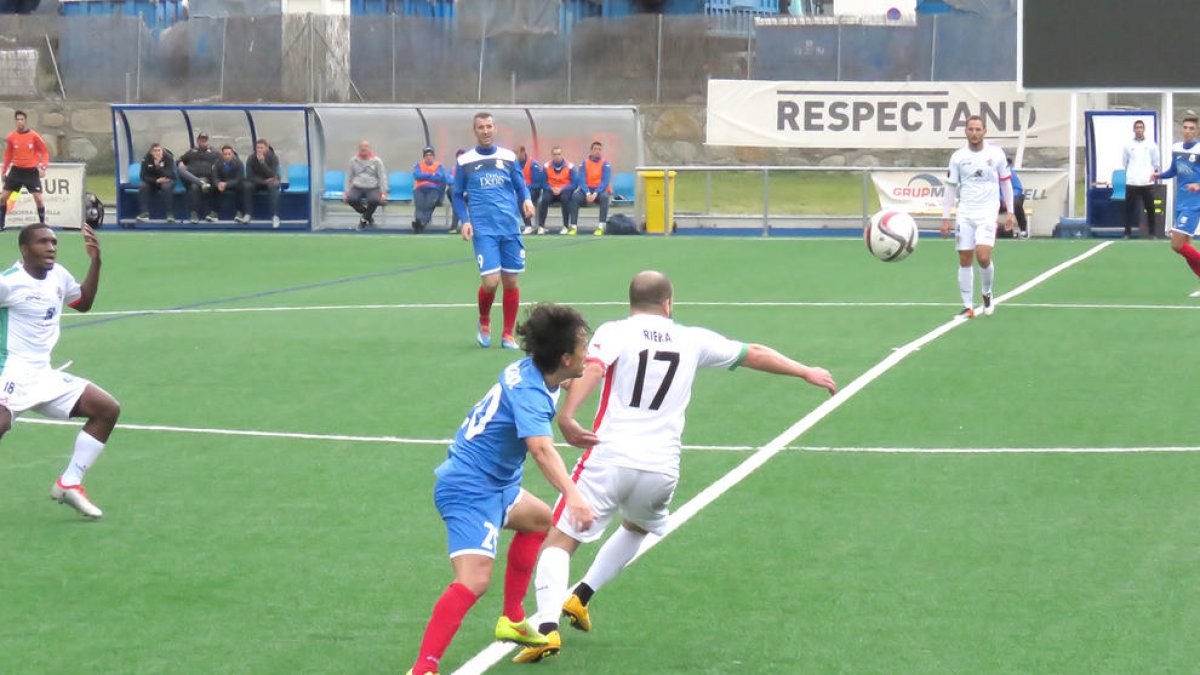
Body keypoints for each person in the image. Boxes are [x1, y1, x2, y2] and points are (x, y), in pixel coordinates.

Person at [512, 270, 838, 664]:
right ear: (669, 303)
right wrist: (805, 370)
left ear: (631, 301)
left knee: (560, 542)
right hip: (661, 467)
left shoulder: (616, 331)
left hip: (609, 456)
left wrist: (567, 415)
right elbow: (753, 353)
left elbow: (594, 368)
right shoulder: (692, 338)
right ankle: (581, 597)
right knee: (637, 527)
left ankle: (547, 627)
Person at [406, 303, 598, 675]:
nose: (586, 355)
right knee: (474, 581)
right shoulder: (530, 393)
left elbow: (577, 378)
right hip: (469, 487)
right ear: (563, 357)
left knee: (541, 522)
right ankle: (423, 668)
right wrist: (574, 496)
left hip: (499, 484)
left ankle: (512, 618)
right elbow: (541, 449)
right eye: (582, 350)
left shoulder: (541, 373)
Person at [0, 223, 121, 520]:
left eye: (53, 242)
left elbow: (83, 303)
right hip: (11, 373)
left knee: (107, 409)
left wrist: (96, 262)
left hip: (44, 375)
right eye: (43, 242)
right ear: (24, 249)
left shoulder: (58, 275)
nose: (51, 247)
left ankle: (70, 483)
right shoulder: (8, 283)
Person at [451, 112, 536, 350]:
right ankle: (484, 321)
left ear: (495, 128)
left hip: (510, 227)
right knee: (490, 282)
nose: (486, 131)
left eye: (489, 126)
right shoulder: (465, 161)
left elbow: (521, 186)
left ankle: (508, 334)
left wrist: (527, 200)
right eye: (481, 127)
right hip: (484, 229)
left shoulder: (508, 157)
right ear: (474, 131)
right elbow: (457, 194)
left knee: (511, 282)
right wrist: (465, 220)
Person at [940, 115, 1015, 318]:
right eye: (970, 129)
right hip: (965, 213)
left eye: (978, 129)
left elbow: (1006, 183)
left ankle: (987, 293)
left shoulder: (996, 154)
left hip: (987, 212)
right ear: (966, 131)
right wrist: (946, 218)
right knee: (965, 258)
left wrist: (1011, 212)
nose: (974, 133)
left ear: (984, 131)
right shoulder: (958, 157)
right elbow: (950, 188)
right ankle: (967, 306)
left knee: (982, 257)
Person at [1151, 115, 1200, 297]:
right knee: (1185, 247)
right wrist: (1159, 175)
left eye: (1191, 128)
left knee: (1176, 244)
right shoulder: (1177, 148)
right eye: (1185, 127)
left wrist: (1198, 186)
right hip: (1181, 202)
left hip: (1194, 204)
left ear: (1196, 131)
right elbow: (1174, 170)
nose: (1187, 131)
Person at [0, 110, 51, 232]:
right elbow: (8, 155)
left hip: (31, 172)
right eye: (17, 119)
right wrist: (4, 171)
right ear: (15, 121)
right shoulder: (12, 137)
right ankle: (1, 224)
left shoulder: (34, 136)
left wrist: (43, 167)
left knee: (38, 199)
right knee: (3, 198)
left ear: (25, 121)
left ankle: (42, 225)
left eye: (22, 119)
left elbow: (44, 152)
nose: (20, 122)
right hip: (16, 171)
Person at [1122, 119, 1161, 239]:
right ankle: (1127, 232)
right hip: (1132, 181)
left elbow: (1156, 162)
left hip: (1146, 181)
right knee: (1128, 209)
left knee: (1150, 208)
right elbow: (1125, 162)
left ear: (1144, 129)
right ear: (1134, 130)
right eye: (1137, 127)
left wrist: (1150, 173)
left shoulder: (1151, 145)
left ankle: (1152, 233)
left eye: (1141, 127)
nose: (1139, 129)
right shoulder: (1128, 145)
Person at [176, 131, 220, 223]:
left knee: (194, 186)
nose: (203, 141)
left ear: (207, 141)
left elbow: (222, 162)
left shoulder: (214, 152)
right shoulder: (192, 151)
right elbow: (179, 159)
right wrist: (180, 162)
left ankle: (194, 214)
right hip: (191, 177)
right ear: (198, 141)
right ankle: (200, 182)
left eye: (205, 140)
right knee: (180, 170)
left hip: (206, 178)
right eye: (201, 140)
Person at [570, 141, 612, 236]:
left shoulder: (605, 164)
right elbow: (582, 180)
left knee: (605, 197)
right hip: (586, 190)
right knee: (575, 196)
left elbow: (605, 182)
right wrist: (588, 193)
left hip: (599, 191)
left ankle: (601, 226)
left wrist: (596, 193)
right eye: (595, 149)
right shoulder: (584, 164)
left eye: (599, 149)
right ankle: (573, 226)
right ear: (591, 150)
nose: (597, 151)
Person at [343, 140, 387, 231]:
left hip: (373, 187)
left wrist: (383, 193)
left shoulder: (377, 161)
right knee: (351, 199)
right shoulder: (353, 161)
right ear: (359, 149)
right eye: (362, 147)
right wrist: (346, 193)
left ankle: (363, 220)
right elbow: (348, 177)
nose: (364, 149)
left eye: (366, 147)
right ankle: (368, 216)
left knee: (374, 200)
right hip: (357, 187)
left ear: (369, 149)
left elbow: (382, 177)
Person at [135, 142, 177, 223]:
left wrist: (158, 166)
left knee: (166, 187)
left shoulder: (168, 157)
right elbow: (143, 176)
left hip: (168, 180)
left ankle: (169, 214)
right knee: (143, 186)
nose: (157, 153)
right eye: (155, 151)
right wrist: (156, 181)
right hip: (154, 181)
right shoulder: (146, 159)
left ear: (162, 150)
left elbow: (169, 173)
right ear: (151, 152)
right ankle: (144, 213)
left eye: (159, 150)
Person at [539, 146, 576, 235]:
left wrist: (562, 189)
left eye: (559, 154)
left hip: (564, 190)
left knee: (565, 199)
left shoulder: (570, 166)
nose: (557, 156)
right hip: (551, 190)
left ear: (562, 155)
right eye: (555, 154)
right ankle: (541, 226)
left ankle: (565, 226)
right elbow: (543, 183)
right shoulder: (546, 166)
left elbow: (574, 184)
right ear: (552, 155)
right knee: (544, 199)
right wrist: (551, 188)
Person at [245, 138, 281, 228]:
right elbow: (249, 176)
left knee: (273, 186)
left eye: (261, 148)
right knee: (247, 186)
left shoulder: (273, 157)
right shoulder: (251, 158)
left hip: (271, 182)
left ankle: (274, 216)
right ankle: (248, 214)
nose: (259, 150)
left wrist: (262, 163)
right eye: (257, 148)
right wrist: (263, 182)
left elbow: (273, 174)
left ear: (266, 148)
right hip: (258, 182)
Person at [412, 146, 447, 234]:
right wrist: (431, 175)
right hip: (419, 188)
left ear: (433, 156)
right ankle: (419, 222)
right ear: (424, 157)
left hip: (433, 189)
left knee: (428, 205)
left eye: (430, 155)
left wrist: (424, 175)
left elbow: (439, 178)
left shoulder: (439, 166)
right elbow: (417, 175)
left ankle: (421, 223)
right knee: (419, 205)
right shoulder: (418, 165)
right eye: (426, 155)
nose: (428, 157)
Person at [211, 144, 248, 224]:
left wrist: (226, 184)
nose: (227, 156)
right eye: (225, 154)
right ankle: (214, 213)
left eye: (229, 154)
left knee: (242, 187)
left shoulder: (238, 163)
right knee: (213, 187)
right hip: (221, 185)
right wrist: (218, 184)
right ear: (222, 155)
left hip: (233, 184)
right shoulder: (217, 163)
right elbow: (214, 177)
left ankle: (239, 213)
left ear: (232, 154)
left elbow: (239, 179)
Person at [516, 146, 546, 235]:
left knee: (521, 199)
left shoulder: (533, 164)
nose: (515, 156)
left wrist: (524, 188)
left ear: (523, 152)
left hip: (533, 190)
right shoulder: (514, 164)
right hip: (520, 190)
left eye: (516, 153)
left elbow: (537, 183)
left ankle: (528, 226)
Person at [997, 157, 1028, 240]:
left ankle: (1023, 230)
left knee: (1017, 202)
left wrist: (1007, 200)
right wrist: (1001, 199)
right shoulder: (990, 174)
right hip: (996, 201)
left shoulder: (1011, 173)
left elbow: (1018, 188)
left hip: (1011, 200)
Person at [447, 149, 466, 235]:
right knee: (455, 194)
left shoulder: (469, 169)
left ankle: (454, 227)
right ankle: (464, 225)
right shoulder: (452, 169)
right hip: (456, 192)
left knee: (457, 202)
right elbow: (447, 180)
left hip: (468, 193)